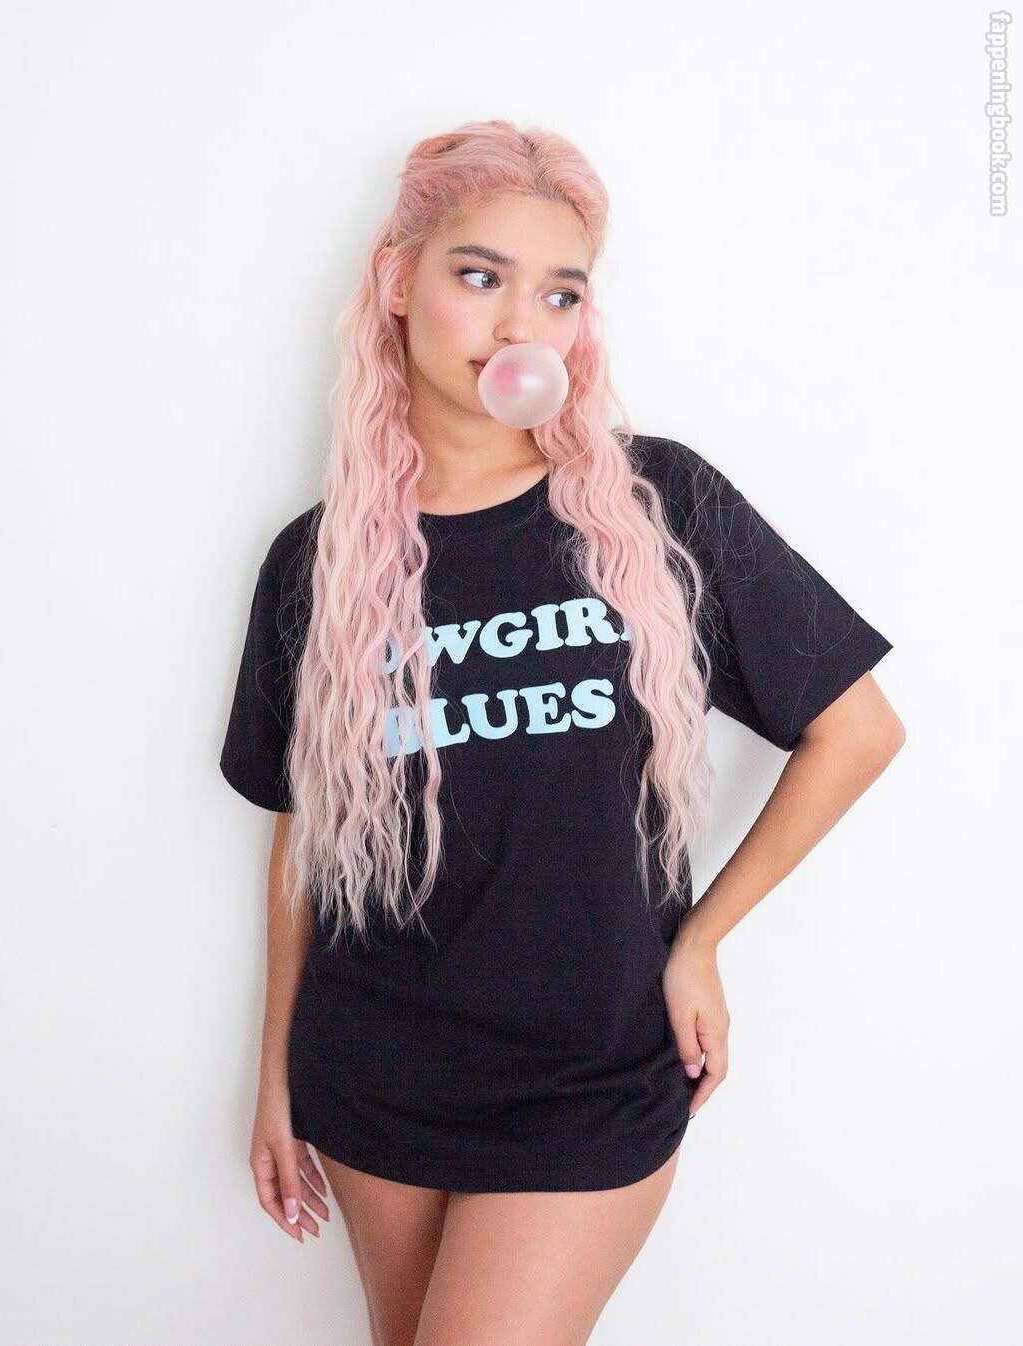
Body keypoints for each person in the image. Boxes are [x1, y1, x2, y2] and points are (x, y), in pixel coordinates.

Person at [219, 119, 904, 1346]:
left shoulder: (659, 505)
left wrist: (700, 941)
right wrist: (273, 1071)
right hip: (375, 1069)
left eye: (561, 293)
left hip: (590, 1074)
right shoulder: (314, 563)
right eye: (480, 275)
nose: (519, 325)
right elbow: (303, 836)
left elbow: (857, 729)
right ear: (397, 281)